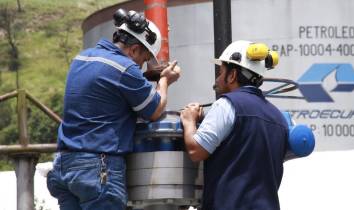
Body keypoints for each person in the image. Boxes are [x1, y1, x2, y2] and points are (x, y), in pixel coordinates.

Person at [46, 9, 180, 210]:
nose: (141, 66)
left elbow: (107, 88)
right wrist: (164, 80)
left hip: (64, 166)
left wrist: (143, 78)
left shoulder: (82, 59)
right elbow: (154, 110)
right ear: (134, 50)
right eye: (143, 59)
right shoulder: (125, 69)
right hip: (97, 169)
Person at [180, 40, 288, 210]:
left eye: (221, 71)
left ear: (232, 75)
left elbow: (196, 150)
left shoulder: (226, 105)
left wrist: (189, 121)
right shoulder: (279, 118)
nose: (218, 77)